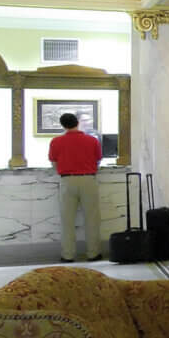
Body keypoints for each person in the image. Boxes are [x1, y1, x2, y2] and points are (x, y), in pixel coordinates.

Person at [48, 112, 103, 262]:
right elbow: (98, 159)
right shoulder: (92, 140)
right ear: (77, 123)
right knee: (92, 219)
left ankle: (68, 254)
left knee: (67, 220)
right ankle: (93, 253)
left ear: (63, 125)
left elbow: (54, 162)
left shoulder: (56, 141)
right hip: (88, 180)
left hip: (67, 181)